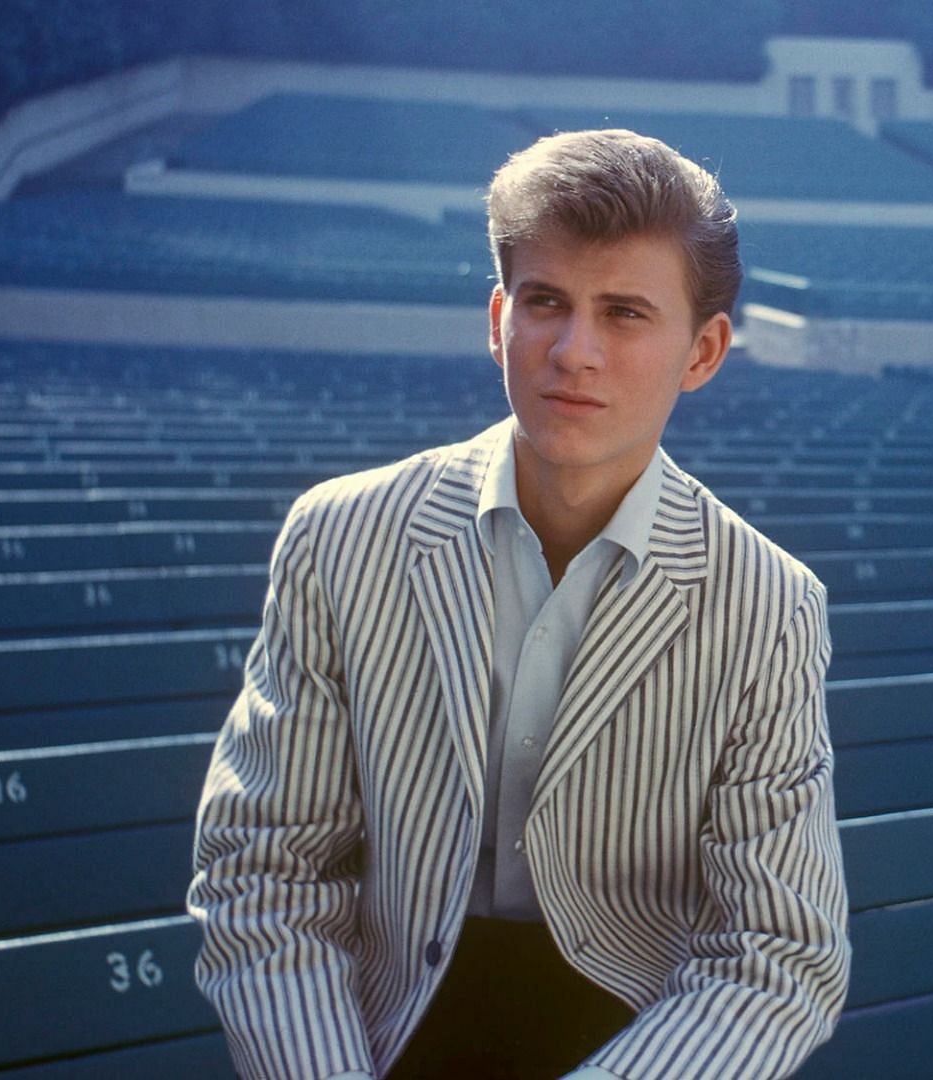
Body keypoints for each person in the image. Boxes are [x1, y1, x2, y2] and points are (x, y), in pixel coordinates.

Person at [187, 129, 850, 1080]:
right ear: (499, 317)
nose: (574, 351)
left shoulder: (768, 603)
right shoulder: (339, 537)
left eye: (625, 314)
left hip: (636, 1034)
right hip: (373, 1026)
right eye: (546, 303)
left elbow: (779, 951)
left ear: (702, 352)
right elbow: (265, 871)